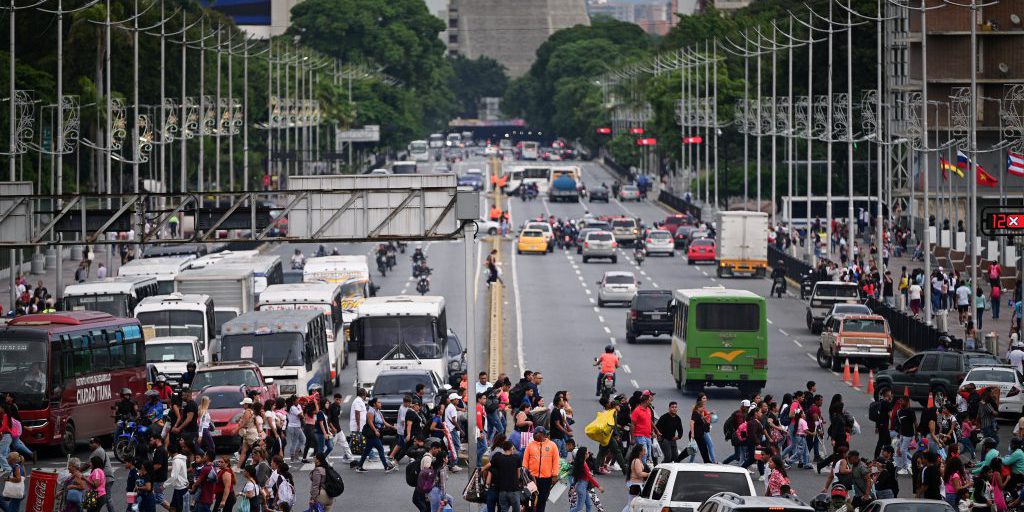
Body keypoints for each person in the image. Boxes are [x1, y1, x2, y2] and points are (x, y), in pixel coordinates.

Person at [523, 427, 559, 512]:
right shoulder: (530, 445)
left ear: (542, 434)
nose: (534, 435)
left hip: (546, 480)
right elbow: (525, 461)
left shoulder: (552, 445)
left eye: (535, 433)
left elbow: (556, 461)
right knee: (529, 499)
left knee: (542, 500)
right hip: (531, 479)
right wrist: (525, 476)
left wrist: (555, 475)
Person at [355, 397, 396, 473]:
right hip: (372, 434)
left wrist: (392, 427)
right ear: (374, 404)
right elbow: (370, 422)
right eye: (379, 402)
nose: (380, 404)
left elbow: (383, 422)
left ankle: (359, 466)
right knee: (380, 449)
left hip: (375, 433)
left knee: (367, 451)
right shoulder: (371, 411)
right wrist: (375, 431)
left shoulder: (378, 411)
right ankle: (386, 467)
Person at [485, 441, 522, 512]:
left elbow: (488, 468)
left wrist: (481, 469)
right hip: (514, 490)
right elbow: (518, 475)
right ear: (511, 448)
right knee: (516, 510)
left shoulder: (498, 458)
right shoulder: (516, 458)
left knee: (503, 509)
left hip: (502, 491)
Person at [569, 446, 603, 512]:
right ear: (584, 455)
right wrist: (598, 486)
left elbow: (578, 477)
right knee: (579, 508)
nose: (589, 454)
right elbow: (589, 477)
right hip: (582, 487)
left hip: (583, 486)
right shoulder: (583, 464)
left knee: (589, 505)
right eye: (587, 453)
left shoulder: (582, 463)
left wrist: (574, 487)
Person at [630, 391, 658, 464]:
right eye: (649, 399)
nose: (651, 401)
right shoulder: (637, 411)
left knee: (648, 454)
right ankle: (643, 470)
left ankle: (642, 468)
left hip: (648, 436)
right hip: (639, 436)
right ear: (646, 400)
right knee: (644, 454)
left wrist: (655, 431)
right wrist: (632, 438)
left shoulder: (648, 409)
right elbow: (632, 425)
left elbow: (649, 421)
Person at [688, 395, 715, 463]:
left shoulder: (702, 407)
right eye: (703, 398)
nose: (705, 399)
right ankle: (712, 461)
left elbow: (701, 418)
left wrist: (709, 414)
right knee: (708, 445)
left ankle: (708, 461)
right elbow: (693, 421)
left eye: (706, 398)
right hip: (699, 431)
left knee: (697, 447)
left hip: (701, 430)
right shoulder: (697, 409)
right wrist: (693, 433)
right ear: (700, 399)